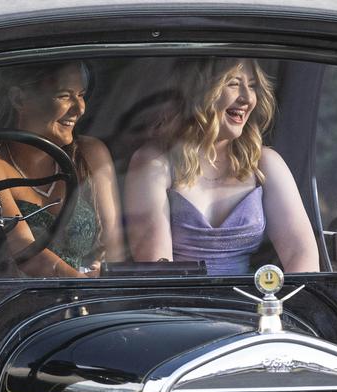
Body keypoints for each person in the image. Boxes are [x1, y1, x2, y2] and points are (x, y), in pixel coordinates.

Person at [125, 58, 319, 275]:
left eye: (253, 86)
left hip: (251, 306)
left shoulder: (265, 162)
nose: (247, 98)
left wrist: (279, 305)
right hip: (175, 304)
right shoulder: (154, 162)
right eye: (234, 83)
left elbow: (301, 255)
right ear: (200, 90)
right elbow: (157, 267)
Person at [0, 62, 124, 277]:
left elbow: (114, 246)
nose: (79, 108)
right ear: (19, 99)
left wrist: (105, 290)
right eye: (64, 96)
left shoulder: (91, 153)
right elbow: (22, 248)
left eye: (81, 95)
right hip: (20, 304)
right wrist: (81, 285)